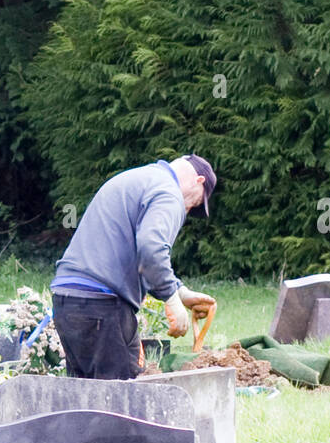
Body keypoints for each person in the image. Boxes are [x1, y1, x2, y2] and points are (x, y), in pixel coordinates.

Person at [50, 154, 218, 379]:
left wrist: (180, 292)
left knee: (85, 401)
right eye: (195, 203)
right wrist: (171, 298)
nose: (188, 210)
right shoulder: (169, 192)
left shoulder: (137, 178)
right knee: (124, 403)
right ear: (199, 181)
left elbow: (128, 251)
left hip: (66, 300)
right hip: (102, 306)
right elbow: (151, 248)